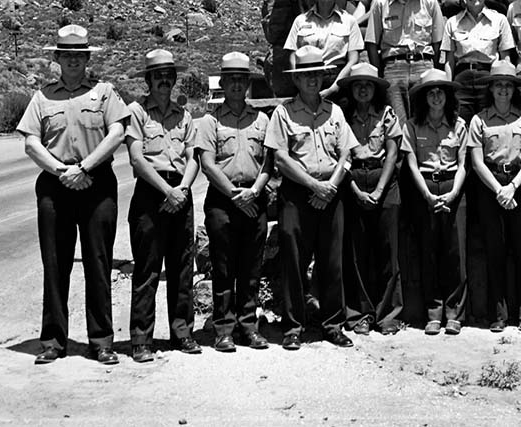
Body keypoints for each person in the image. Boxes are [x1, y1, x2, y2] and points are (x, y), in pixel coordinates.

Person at [17, 25, 129, 365]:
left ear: (86, 58)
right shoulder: (42, 97)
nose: (73, 61)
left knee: (98, 263)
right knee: (55, 265)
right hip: (55, 185)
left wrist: (85, 168)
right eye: (67, 55)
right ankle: (52, 341)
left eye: (79, 56)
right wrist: (62, 171)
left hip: (97, 184)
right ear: (57, 58)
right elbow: (31, 142)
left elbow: (118, 132)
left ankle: (101, 341)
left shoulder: (104, 92)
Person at [266, 45, 358, 350]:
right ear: (296, 79)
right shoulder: (283, 113)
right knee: (293, 260)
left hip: (331, 193)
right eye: (305, 74)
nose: (312, 80)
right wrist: (312, 186)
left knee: (332, 261)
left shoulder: (336, 112)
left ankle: (333, 324)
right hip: (296, 194)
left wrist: (329, 186)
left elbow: (346, 154)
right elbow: (280, 158)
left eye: (316, 74)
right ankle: (293, 326)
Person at [125, 49, 201, 362]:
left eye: (169, 75)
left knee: (182, 268)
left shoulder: (184, 115)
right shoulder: (137, 112)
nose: (164, 81)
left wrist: (181, 189)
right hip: (152, 192)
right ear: (148, 80)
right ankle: (141, 339)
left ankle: (182, 333)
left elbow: (193, 157)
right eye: (158, 75)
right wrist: (167, 191)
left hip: (180, 193)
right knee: (147, 269)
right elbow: (136, 158)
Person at [193, 51, 273, 352]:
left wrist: (254, 191)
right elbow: (208, 164)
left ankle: (249, 326)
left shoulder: (262, 119)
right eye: (232, 80)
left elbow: (269, 161)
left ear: (248, 84)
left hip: (254, 197)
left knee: (251, 267)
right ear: (223, 84)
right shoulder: (210, 122)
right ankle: (224, 328)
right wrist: (235, 195)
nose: (237, 85)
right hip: (223, 200)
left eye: (242, 80)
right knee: (224, 267)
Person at [466, 60, 521, 333]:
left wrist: (513, 187)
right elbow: (476, 161)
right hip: (491, 186)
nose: (503, 90)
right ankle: (499, 314)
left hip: (520, 183)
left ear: (514, 89)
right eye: (499, 85)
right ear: (491, 89)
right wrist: (499, 190)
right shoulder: (479, 119)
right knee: (494, 250)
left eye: (508, 85)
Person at [401, 68, 470, 335]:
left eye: (441, 91)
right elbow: (412, 165)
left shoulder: (459, 125)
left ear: (448, 96)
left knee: (455, 253)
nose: (436, 96)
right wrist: (428, 196)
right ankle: (433, 312)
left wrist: (453, 194)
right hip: (425, 187)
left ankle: (454, 313)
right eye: (431, 92)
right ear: (423, 97)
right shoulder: (412, 125)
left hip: (454, 185)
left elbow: (464, 164)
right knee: (428, 251)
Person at [338, 62, 404, 336]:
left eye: (368, 85)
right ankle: (360, 314)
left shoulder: (387, 114)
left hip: (384, 180)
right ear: (351, 89)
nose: (363, 89)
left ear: (375, 89)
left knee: (388, 250)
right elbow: (340, 155)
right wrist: (354, 188)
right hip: (353, 178)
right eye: (358, 85)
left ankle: (388, 314)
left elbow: (392, 153)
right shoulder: (343, 117)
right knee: (357, 251)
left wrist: (378, 190)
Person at [365, 0, 445, 127]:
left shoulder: (429, 1)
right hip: (394, 69)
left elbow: (439, 42)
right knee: (397, 125)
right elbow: (371, 43)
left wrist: (433, 69)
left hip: (424, 66)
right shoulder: (380, 3)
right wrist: (381, 73)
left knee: (424, 123)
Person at [441, 0, 517, 124]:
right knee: (461, 124)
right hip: (462, 79)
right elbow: (449, 61)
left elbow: (505, 58)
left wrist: (503, 85)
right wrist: (449, 89)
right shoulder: (452, 22)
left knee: (489, 124)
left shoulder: (499, 20)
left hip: (488, 78)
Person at [283, 0, 364, 98]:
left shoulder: (349, 21)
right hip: (306, 79)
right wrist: (298, 82)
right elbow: (292, 54)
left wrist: (334, 88)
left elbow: (353, 59)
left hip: (337, 80)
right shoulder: (301, 21)